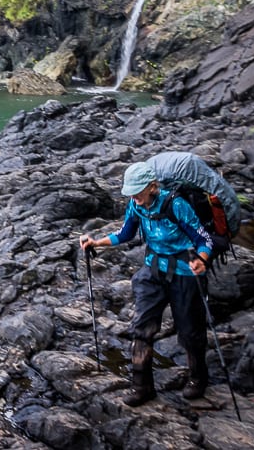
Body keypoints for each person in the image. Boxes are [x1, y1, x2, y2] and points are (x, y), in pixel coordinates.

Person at [80, 161, 213, 406]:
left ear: (152, 186)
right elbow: (125, 234)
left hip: (185, 273)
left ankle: (198, 378)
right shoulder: (136, 205)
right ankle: (141, 387)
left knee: (190, 331)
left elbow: (203, 239)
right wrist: (97, 243)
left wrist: (202, 260)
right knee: (141, 328)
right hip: (153, 271)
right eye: (130, 192)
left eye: (138, 191)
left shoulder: (177, 205)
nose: (133, 196)